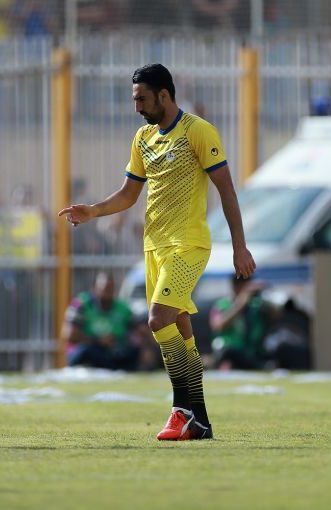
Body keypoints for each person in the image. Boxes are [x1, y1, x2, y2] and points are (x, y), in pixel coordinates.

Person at [59, 63, 255, 440]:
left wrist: (239, 246)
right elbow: (129, 194)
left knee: (157, 319)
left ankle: (180, 410)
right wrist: (93, 211)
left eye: (142, 99)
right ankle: (200, 421)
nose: (137, 107)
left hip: (188, 244)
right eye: (135, 100)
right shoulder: (143, 137)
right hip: (155, 247)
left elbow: (227, 190)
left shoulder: (198, 131)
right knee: (179, 329)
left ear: (164, 95)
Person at [62, 272, 139, 371]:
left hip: (111, 353)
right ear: (94, 289)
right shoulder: (81, 304)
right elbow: (69, 335)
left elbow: (136, 333)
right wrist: (99, 341)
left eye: (110, 289)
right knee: (86, 352)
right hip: (85, 351)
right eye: (104, 289)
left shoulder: (123, 309)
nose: (107, 293)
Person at [209, 278, 270, 370]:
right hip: (229, 349)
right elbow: (218, 326)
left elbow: (275, 314)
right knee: (231, 355)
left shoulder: (255, 304)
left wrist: (265, 293)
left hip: (252, 350)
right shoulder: (223, 304)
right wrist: (240, 304)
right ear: (235, 286)